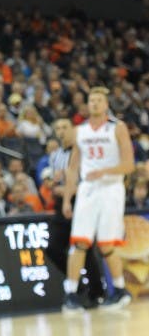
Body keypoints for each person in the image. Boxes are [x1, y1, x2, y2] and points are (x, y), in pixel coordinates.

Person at [62, 87, 134, 312]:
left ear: (106, 104)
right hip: (88, 190)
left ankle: (120, 291)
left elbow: (129, 165)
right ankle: (71, 294)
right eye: (91, 100)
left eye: (98, 100)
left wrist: (104, 171)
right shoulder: (79, 131)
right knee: (79, 242)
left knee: (106, 244)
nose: (94, 104)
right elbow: (73, 168)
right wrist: (67, 198)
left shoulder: (117, 127)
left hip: (111, 188)